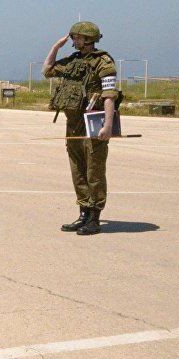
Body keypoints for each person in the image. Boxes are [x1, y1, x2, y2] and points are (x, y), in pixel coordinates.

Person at [43, 21, 119, 235]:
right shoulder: (74, 60)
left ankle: (94, 217)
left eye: (76, 37)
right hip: (73, 123)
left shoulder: (103, 62)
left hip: (94, 121)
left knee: (94, 170)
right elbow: (47, 70)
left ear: (87, 39)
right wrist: (55, 48)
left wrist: (108, 126)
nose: (73, 40)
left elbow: (109, 95)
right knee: (77, 168)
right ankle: (83, 213)